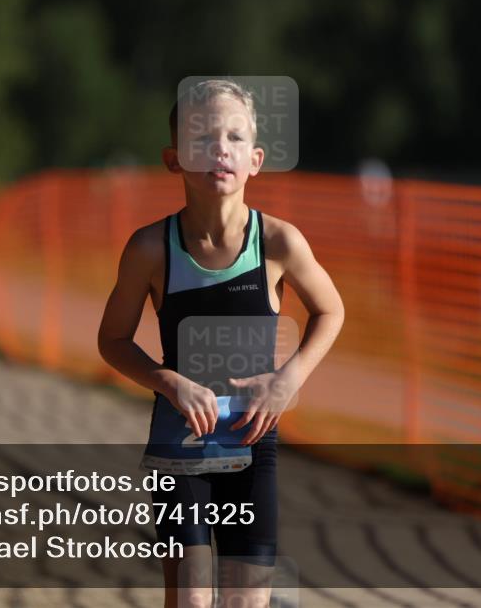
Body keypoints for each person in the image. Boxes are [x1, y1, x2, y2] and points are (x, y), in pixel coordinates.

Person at [98, 79, 345, 607]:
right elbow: (112, 340)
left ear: (255, 159)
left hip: (253, 447)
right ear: (174, 159)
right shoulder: (149, 248)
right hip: (178, 446)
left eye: (234, 138)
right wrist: (167, 382)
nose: (220, 149)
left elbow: (332, 310)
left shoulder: (279, 241)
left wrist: (288, 380)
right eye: (203, 137)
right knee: (190, 600)